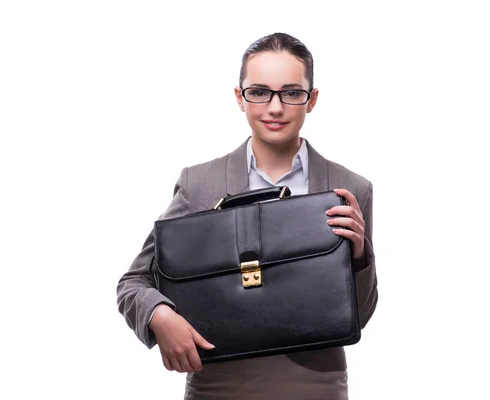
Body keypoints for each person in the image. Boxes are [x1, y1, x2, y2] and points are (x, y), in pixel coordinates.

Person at [116, 32, 378, 400]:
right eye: (259, 92)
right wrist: (160, 316)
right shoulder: (199, 184)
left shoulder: (349, 186)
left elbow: (359, 317)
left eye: (291, 92)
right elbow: (133, 282)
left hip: (314, 387)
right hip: (217, 384)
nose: (275, 107)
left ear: (311, 99)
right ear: (240, 97)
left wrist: (360, 255)